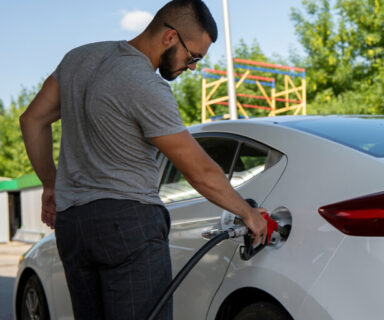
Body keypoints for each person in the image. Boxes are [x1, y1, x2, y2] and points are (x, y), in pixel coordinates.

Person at [19, 0, 268, 319]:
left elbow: (32, 121)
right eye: (193, 57)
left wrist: (51, 186)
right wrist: (248, 212)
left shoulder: (78, 59)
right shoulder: (146, 85)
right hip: (127, 224)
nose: (192, 67)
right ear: (169, 37)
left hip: (73, 226)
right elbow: (200, 171)